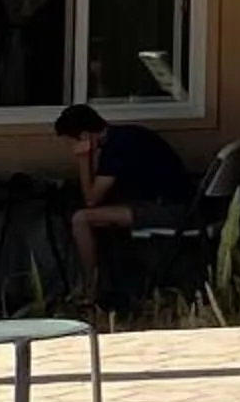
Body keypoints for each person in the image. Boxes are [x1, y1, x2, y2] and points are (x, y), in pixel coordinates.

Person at [54, 103, 193, 298]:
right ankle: (110, 284)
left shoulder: (116, 149)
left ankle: (89, 288)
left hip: (168, 209)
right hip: (173, 203)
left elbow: (91, 199)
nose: (71, 148)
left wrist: (83, 159)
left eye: (72, 143)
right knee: (99, 220)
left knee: (81, 219)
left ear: (85, 136)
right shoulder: (124, 136)